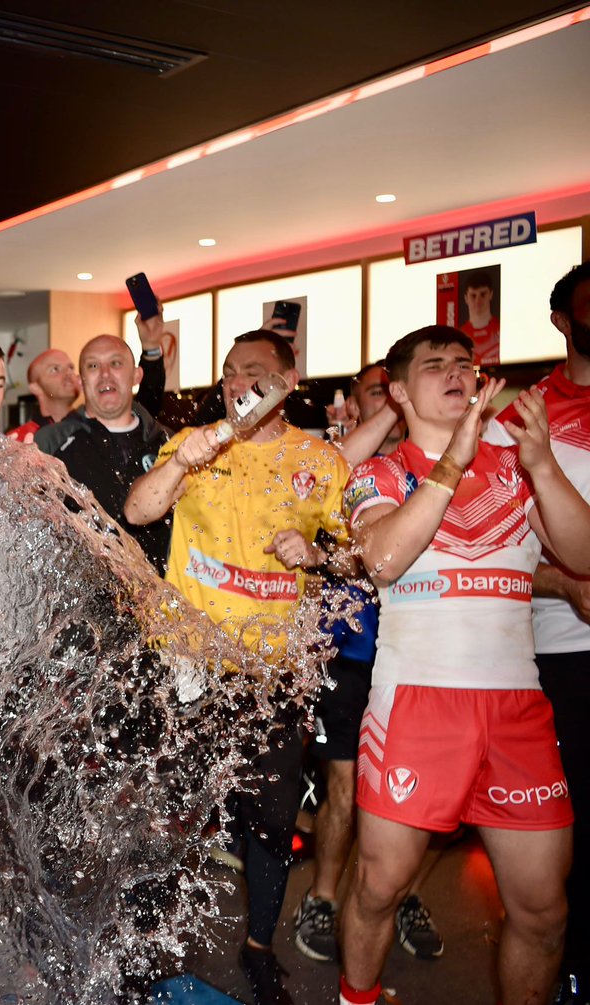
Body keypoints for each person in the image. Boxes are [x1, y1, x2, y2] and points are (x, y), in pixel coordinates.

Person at [337, 325, 590, 1005]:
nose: (455, 372)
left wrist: (539, 464)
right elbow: (384, 557)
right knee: (378, 886)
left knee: (544, 910)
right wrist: (453, 459)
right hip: (415, 706)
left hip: (517, 710)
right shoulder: (379, 473)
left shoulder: (517, 465)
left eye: (464, 362)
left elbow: (584, 556)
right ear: (396, 390)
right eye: (434, 364)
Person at [124, 330, 351, 1005]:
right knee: (173, 812)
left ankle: (258, 947)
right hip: (192, 667)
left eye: (253, 371)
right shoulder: (197, 444)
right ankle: (148, 945)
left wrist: (316, 557)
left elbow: (359, 557)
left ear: (289, 378)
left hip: (273, 676)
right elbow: (140, 509)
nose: (236, 382)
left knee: (272, 822)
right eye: (227, 372)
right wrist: (186, 457)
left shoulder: (320, 459)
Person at [293, 364, 444, 964]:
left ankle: (401, 892)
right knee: (345, 785)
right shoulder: (335, 466)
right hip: (347, 650)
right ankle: (325, 897)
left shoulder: (436, 466)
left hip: (421, 652)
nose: (391, 404)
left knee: (430, 792)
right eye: (376, 394)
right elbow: (312, 546)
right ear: (355, 405)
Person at [483, 260, 590, 1003]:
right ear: (562, 319)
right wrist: (565, 584)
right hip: (562, 647)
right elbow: (496, 542)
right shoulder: (524, 416)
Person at [36, 334, 171, 572]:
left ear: (136, 375)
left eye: (116, 363)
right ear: (81, 380)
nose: (105, 374)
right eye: (93, 366)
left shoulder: (169, 444)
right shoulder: (50, 444)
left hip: (163, 597)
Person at [7, 311, 170, 442]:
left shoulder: (109, 419)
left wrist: (151, 347)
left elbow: (147, 404)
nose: (68, 374)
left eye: (71, 367)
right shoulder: (24, 440)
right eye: (55, 369)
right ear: (35, 387)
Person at [459, 270, 500, 365]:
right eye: (473, 295)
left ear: (491, 294)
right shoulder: (459, 336)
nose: (478, 301)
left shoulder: (503, 330)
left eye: (483, 294)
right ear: (466, 298)